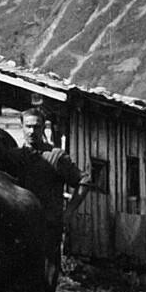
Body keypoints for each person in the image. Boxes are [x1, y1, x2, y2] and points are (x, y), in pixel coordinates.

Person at [19, 107, 90, 269]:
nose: (32, 131)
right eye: (28, 126)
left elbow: (84, 180)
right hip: (21, 224)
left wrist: (68, 212)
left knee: (47, 274)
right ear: (22, 127)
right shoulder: (15, 156)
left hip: (48, 226)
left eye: (36, 127)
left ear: (43, 128)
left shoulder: (56, 156)